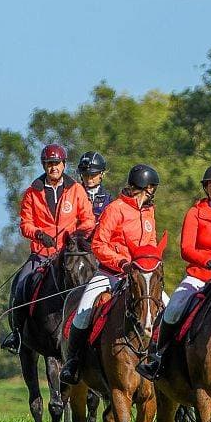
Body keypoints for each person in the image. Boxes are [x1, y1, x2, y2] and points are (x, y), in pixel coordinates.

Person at [137, 163, 211, 379]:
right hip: (199, 276)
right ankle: (158, 357)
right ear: (206, 188)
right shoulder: (195, 212)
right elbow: (186, 249)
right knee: (173, 308)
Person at [61, 164, 164, 385]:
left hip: (141, 276)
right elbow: (99, 244)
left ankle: (163, 360)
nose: (152, 194)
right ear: (144, 188)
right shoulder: (115, 209)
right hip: (111, 273)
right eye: (151, 189)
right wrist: (121, 263)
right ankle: (73, 362)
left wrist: (150, 264)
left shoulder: (149, 212)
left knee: (168, 306)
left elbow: (152, 244)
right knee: (83, 310)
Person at [0, 144, 95, 353]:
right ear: (44, 165)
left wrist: (76, 237)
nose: (53, 168)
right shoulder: (33, 192)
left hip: (69, 254)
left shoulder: (76, 190)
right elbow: (25, 224)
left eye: (57, 164)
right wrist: (39, 234)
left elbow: (88, 219)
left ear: (64, 165)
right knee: (21, 284)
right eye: (50, 164)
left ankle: (93, 330)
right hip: (42, 255)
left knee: (92, 282)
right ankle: (16, 334)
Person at [78, 151, 112, 219]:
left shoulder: (108, 200)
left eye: (93, 175)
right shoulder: (74, 195)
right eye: (85, 175)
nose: (89, 179)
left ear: (101, 174)